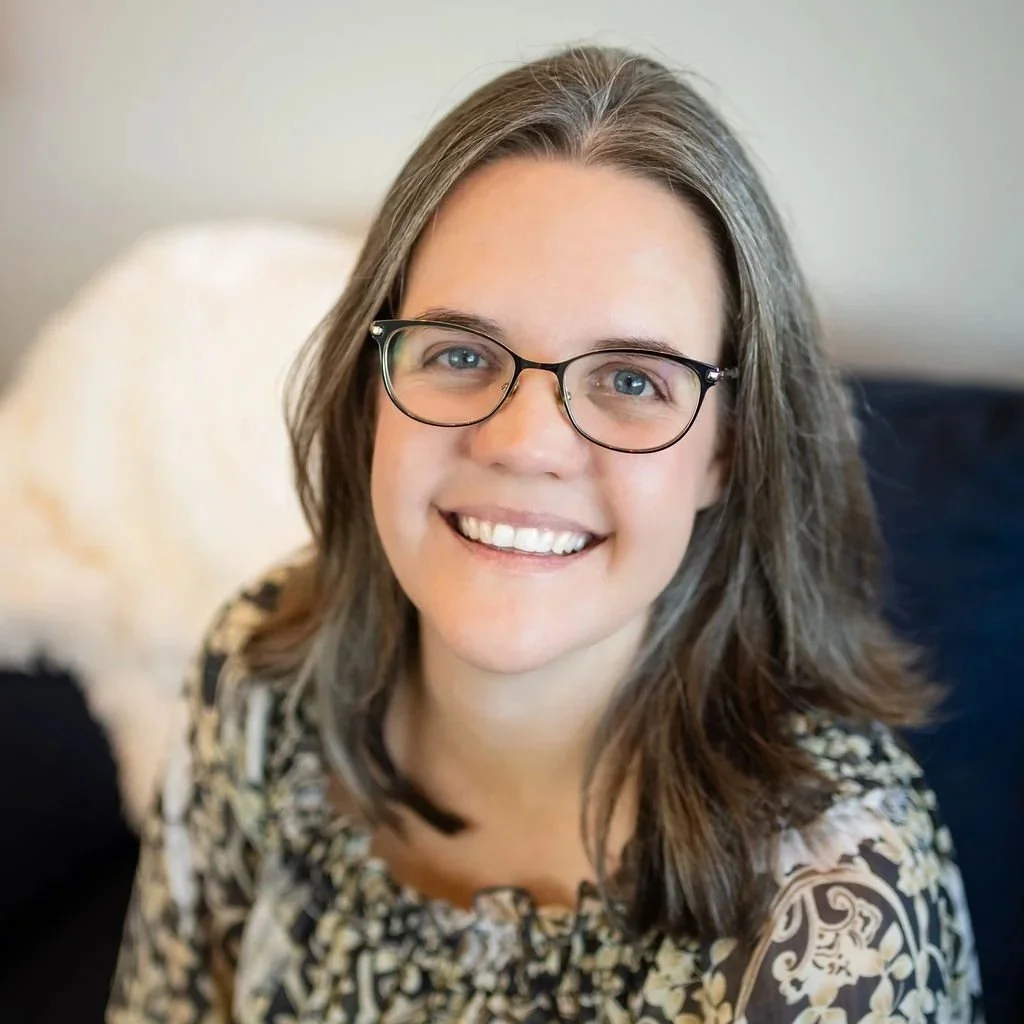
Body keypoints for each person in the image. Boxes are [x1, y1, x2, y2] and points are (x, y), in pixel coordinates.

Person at [106, 45, 983, 1023]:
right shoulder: (264, 667)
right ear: (372, 389)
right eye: (461, 352)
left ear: (727, 453)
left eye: (632, 380)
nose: (524, 443)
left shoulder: (837, 916)